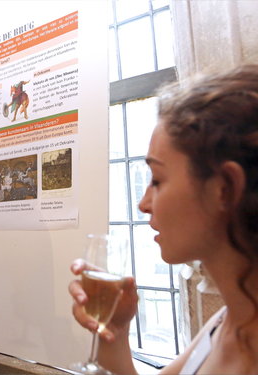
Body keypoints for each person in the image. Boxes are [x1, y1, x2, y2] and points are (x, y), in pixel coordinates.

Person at [69, 65, 258, 374]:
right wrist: (114, 331)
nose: (143, 204)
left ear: (224, 188)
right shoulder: (226, 321)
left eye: (156, 179)